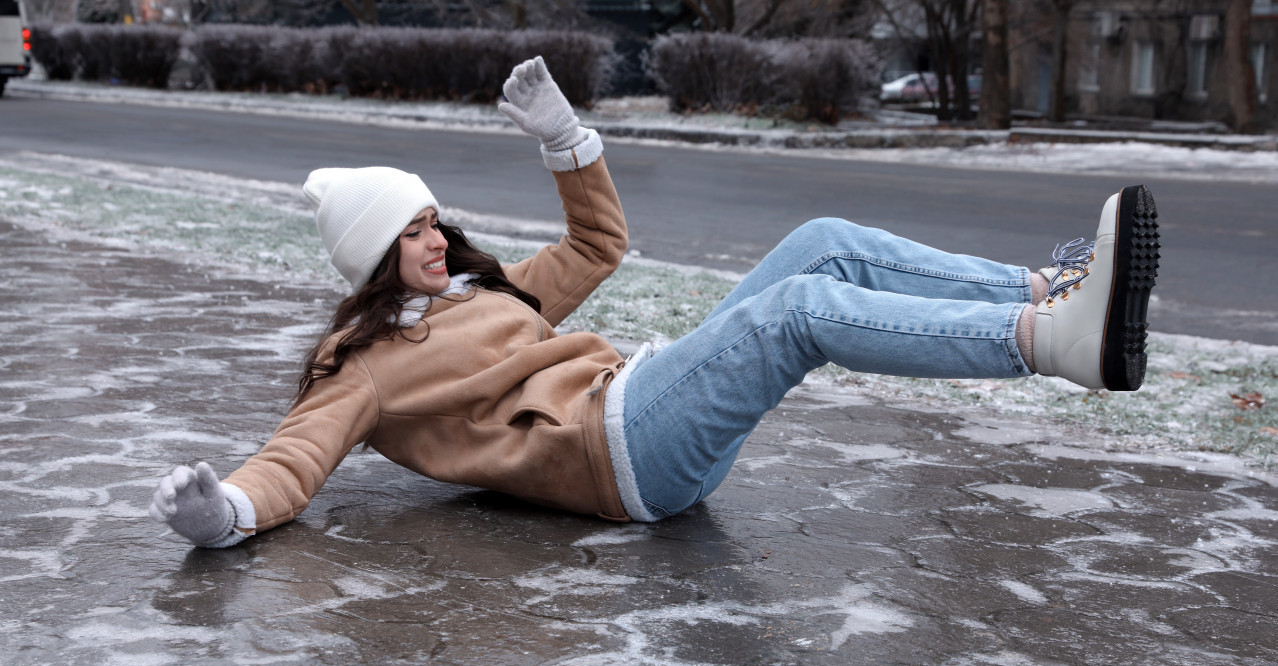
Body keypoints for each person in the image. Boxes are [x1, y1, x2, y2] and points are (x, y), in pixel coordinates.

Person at [148, 57, 1160, 547]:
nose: (434, 238)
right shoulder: (364, 370)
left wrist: (566, 142)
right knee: (797, 308)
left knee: (821, 243)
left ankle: (1054, 288)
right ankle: (1050, 343)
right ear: (372, 259)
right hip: (618, 449)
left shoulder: (481, 291)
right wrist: (224, 509)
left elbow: (599, 244)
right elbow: (295, 460)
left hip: (640, 398)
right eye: (411, 231)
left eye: (432, 222)